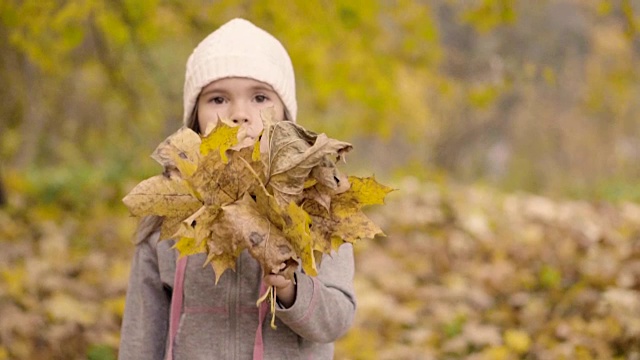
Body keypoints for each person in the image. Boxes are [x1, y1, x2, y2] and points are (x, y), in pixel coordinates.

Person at [118, 18, 356, 360]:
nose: (239, 113)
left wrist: (291, 289)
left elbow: (337, 320)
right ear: (194, 117)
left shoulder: (315, 202)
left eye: (260, 97)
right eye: (217, 99)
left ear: (286, 116)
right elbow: (142, 333)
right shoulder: (172, 208)